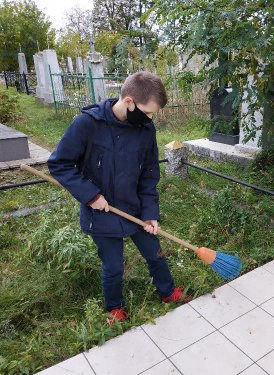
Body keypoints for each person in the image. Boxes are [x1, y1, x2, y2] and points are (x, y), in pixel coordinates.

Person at [48, 71, 189, 323]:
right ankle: (114, 308)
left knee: (155, 253)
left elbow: (148, 176)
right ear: (128, 102)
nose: (150, 118)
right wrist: (90, 196)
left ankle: (167, 292)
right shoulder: (88, 124)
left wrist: (150, 213)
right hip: (101, 211)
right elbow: (60, 164)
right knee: (113, 266)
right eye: (147, 112)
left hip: (134, 209)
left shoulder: (145, 129)